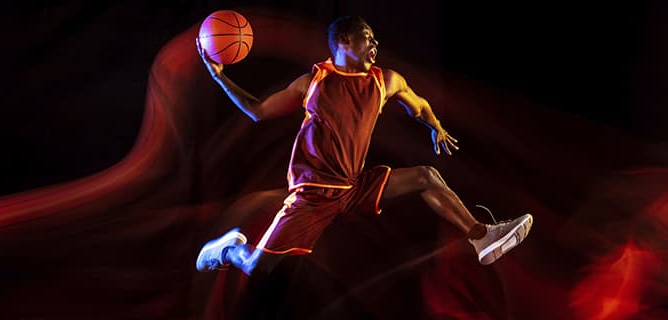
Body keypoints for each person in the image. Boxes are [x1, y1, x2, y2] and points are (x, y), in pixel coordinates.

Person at [195, 16, 532, 276]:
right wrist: (218, 76)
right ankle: (226, 250)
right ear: (344, 41)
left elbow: (419, 104)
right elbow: (257, 111)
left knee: (427, 176)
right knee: (258, 267)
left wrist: (437, 127)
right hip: (312, 195)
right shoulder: (314, 82)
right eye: (367, 37)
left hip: (354, 186)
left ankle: (481, 236)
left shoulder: (384, 80)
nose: (375, 43)